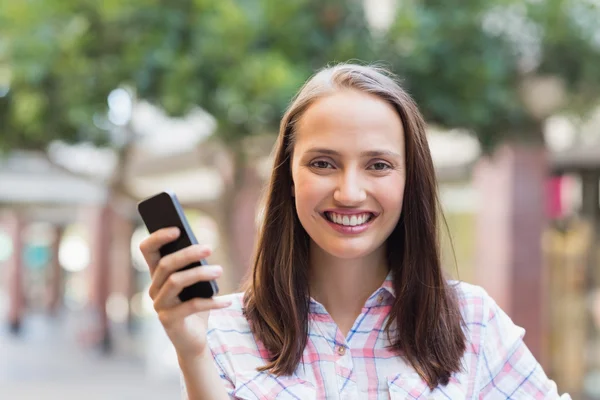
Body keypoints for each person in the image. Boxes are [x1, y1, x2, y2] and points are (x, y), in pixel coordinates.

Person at [140, 63, 570, 399]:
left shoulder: (472, 323)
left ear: (409, 180)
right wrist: (192, 353)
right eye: (322, 163)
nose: (348, 192)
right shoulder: (219, 329)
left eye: (378, 165)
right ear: (289, 178)